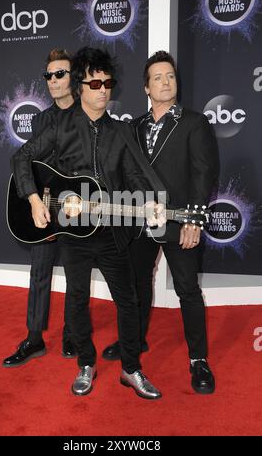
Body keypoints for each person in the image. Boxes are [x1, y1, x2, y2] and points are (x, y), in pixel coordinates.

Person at [4, 46, 166, 399]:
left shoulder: (121, 132)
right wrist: (33, 199)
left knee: (128, 301)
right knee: (76, 301)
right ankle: (86, 364)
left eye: (108, 82)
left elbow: (137, 176)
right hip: (73, 234)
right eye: (95, 83)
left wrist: (153, 202)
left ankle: (131, 369)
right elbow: (22, 158)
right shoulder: (61, 126)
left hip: (111, 232)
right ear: (79, 87)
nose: (103, 89)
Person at [102, 50, 219, 395]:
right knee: (137, 287)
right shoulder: (134, 127)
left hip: (179, 222)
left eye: (170, 76)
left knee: (187, 291)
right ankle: (133, 344)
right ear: (146, 88)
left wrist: (194, 219)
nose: (166, 82)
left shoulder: (195, 123)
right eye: (158, 77)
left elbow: (203, 173)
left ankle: (198, 360)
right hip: (139, 223)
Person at [3, 49, 76, 368]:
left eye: (60, 74)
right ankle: (34, 339)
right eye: (49, 75)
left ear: (73, 77)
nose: (53, 81)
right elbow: (34, 164)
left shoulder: (88, 114)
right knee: (40, 270)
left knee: (77, 273)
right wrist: (36, 201)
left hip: (79, 208)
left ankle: (73, 333)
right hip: (46, 208)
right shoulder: (41, 119)